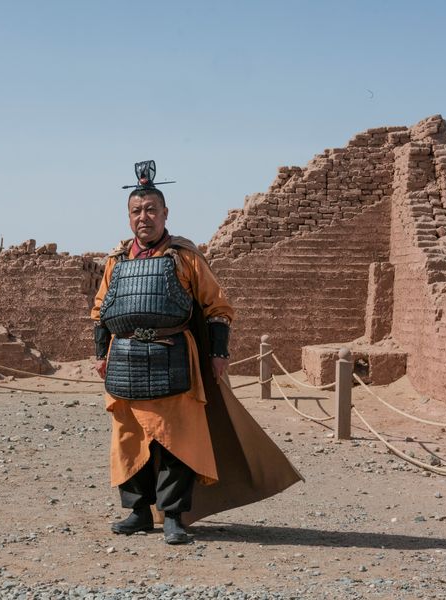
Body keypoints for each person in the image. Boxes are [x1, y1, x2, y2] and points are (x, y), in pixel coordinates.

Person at [92, 161, 302, 545]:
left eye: (151, 209)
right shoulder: (116, 261)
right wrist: (100, 354)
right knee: (129, 439)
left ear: (165, 213)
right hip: (124, 360)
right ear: (128, 216)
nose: (144, 217)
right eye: (136, 211)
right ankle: (138, 512)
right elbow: (101, 311)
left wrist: (218, 354)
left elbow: (217, 307)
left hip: (174, 358)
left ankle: (173, 515)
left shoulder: (185, 256)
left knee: (176, 440)